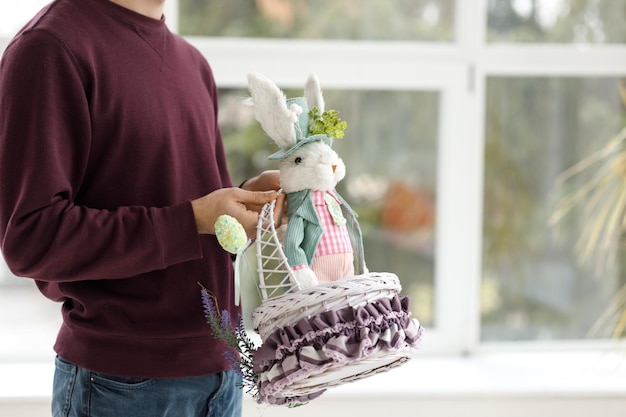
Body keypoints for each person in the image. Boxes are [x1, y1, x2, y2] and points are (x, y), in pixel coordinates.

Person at [0, 0, 281, 416]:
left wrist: (242, 200)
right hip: (124, 385)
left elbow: (185, 208)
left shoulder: (193, 64)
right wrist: (193, 220)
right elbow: (31, 237)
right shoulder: (50, 46)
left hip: (223, 373)